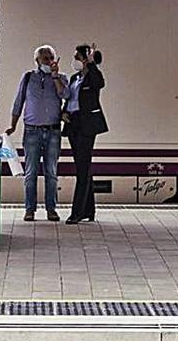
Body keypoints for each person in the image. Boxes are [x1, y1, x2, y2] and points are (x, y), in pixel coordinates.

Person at [7, 45, 68, 222]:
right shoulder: (28, 78)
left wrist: (55, 76)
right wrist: (13, 125)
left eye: (51, 58)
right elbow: (19, 102)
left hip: (53, 131)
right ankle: (29, 209)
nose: (49, 61)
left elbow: (65, 95)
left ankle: (51, 209)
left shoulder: (61, 78)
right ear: (37, 61)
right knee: (30, 172)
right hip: (31, 131)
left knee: (51, 172)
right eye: (45, 59)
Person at [63, 44, 108, 225]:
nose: (74, 60)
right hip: (73, 123)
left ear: (85, 59)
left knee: (82, 168)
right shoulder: (74, 78)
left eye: (77, 57)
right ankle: (89, 210)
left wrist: (92, 64)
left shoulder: (93, 77)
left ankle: (77, 212)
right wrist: (63, 112)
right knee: (83, 166)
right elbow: (71, 99)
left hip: (87, 125)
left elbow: (100, 83)